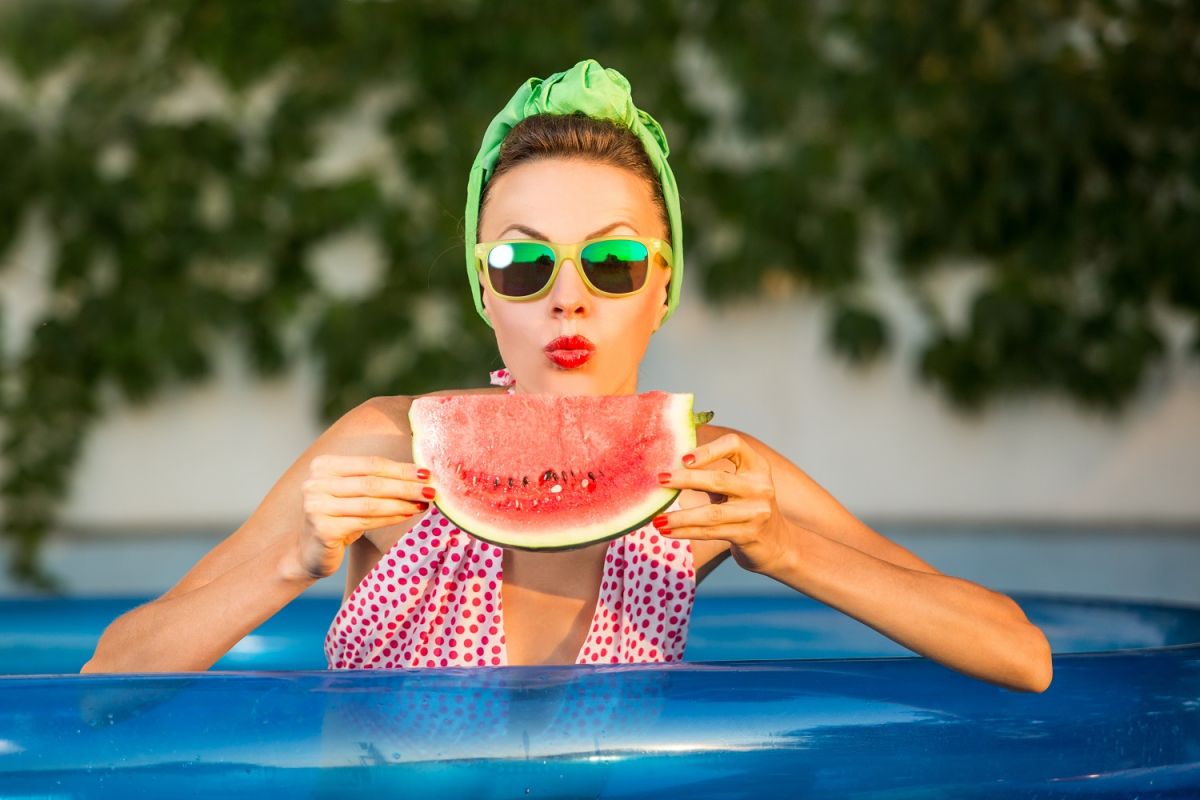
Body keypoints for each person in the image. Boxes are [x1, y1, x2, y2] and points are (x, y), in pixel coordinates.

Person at [82, 59, 1052, 692]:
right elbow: (102, 686)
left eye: (615, 261)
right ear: (482, 287)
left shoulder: (708, 476)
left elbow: (1019, 651)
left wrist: (787, 551)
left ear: (661, 284)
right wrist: (290, 562)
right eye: (523, 261)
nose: (569, 299)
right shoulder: (388, 451)